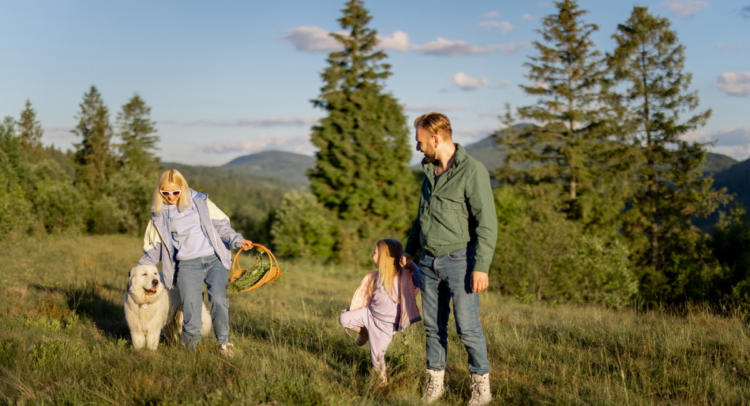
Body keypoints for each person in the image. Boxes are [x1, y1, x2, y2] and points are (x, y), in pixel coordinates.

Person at [403, 113, 498, 406]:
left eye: (420, 142)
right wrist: (410, 251)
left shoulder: (473, 171)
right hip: (429, 263)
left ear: (435, 139)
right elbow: (422, 217)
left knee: (467, 328)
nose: (418, 147)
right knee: (433, 328)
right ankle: (435, 384)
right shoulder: (429, 172)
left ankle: (481, 387)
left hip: (461, 261)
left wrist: (481, 266)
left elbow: (487, 222)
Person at [137, 169, 252, 356]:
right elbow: (152, 251)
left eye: (176, 192)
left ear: (183, 188)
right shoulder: (158, 216)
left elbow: (222, 227)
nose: (171, 196)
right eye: (166, 193)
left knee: (219, 300)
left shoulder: (200, 202)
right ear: (160, 192)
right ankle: (188, 351)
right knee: (191, 309)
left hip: (214, 259)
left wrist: (238, 241)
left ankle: (223, 344)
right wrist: (134, 275)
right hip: (187, 265)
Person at [339, 238, 421, 387]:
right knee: (344, 318)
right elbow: (366, 297)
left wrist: (413, 267)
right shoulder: (376, 275)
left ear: (386, 257)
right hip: (370, 314)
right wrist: (353, 311)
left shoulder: (404, 276)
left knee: (377, 359)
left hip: (385, 325)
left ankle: (381, 385)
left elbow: (421, 282)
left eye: (375, 253)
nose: (372, 256)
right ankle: (364, 331)